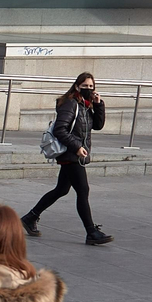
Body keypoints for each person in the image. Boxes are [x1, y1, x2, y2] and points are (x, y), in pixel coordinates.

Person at [22, 71, 113, 246]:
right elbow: (60, 129)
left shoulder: (86, 105)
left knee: (61, 189)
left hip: (76, 154)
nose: (88, 89)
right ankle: (91, 232)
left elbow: (98, 125)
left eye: (91, 86)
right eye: (85, 86)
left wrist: (98, 105)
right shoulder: (71, 104)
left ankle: (30, 217)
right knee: (83, 190)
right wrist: (77, 147)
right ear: (77, 86)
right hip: (71, 154)